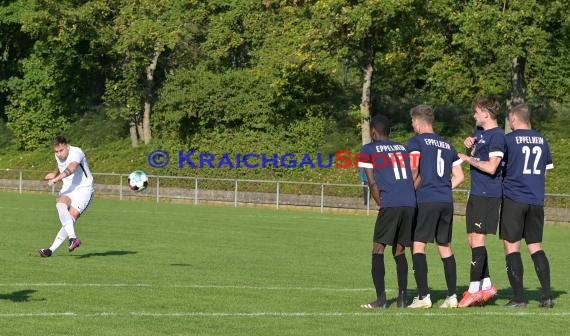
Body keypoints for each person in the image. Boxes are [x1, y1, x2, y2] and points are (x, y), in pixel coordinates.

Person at [406, 105, 465, 309]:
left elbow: (414, 167)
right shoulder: (448, 145)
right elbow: (460, 176)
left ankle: (424, 296)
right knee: (444, 246)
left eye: (413, 121)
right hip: (445, 200)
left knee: (418, 245)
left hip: (426, 199)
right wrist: (443, 188)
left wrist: (409, 191)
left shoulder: (416, 141)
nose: (412, 125)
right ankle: (451, 296)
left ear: (419, 122)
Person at [358, 115, 416, 309]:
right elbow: (415, 173)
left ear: (373, 131)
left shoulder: (368, 150)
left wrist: (380, 203)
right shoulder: (402, 148)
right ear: (389, 131)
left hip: (390, 203)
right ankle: (401, 300)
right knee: (400, 250)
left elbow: (371, 181)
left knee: (378, 249)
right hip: (409, 203)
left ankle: (381, 300)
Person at [500, 104, 554, 308]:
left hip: (514, 199)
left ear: (514, 118)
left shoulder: (509, 140)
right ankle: (547, 296)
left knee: (512, 247)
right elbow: (545, 172)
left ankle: (519, 298)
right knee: (536, 247)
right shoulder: (542, 140)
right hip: (536, 201)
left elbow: (500, 167)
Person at [457, 97, 505, 307]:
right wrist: (469, 148)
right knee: (472, 240)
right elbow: (477, 158)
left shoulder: (497, 136)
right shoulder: (480, 133)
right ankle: (486, 286)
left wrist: (467, 159)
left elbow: (492, 167)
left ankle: (473, 290)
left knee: (478, 240)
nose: (474, 115)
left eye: (476, 111)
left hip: (488, 194)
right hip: (476, 192)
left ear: (486, 113)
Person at [39, 136, 94, 257]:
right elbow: (61, 165)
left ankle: (51, 250)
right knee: (60, 204)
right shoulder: (58, 155)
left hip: (84, 189)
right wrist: (55, 173)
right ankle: (73, 239)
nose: (59, 154)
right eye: (56, 152)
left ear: (67, 146)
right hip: (69, 188)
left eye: (61, 150)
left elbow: (72, 167)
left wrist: (56, 179)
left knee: (71, 217)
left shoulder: (76, 152)